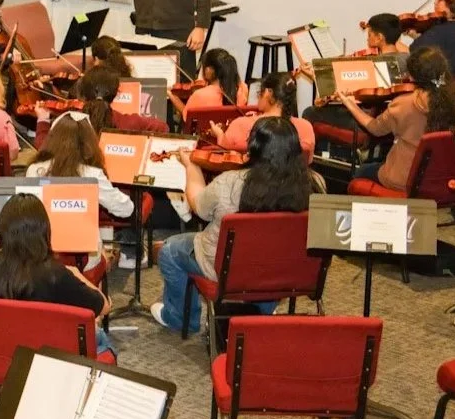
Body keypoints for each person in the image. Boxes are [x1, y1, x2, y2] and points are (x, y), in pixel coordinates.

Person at [154, 116, 318, 336]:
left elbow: (199, 206)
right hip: (282, 270)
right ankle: (262, 314)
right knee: (269, 253)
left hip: (227, 269)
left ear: (254, 147)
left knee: (169, 250)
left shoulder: (231, 182)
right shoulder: (314, 184)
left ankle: (180, 318)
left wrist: (191, 167)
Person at [0, 196, 114, 354]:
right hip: (43, 361)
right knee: (100, 336)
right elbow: (104, 306)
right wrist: (76, 273)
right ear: (45, 231)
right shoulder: (55, 274)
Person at [339, 46, 455, 192]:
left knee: (362, 171)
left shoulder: (404, 104)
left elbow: (374, 128)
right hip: (443, 176)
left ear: (413, 77)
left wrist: (350, 104)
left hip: (404, 178)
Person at [28, 111, 136, 221]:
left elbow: (28, 212)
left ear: (52, 139)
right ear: (89, 143)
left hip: (44, 231)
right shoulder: (93, 175)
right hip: (84, 232)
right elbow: (126, 209)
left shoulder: (34, 169)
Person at [216, 73, 316, 158]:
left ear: (268, 93)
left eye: (260, 92)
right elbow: (308, 160)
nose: (258, 97)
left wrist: (221, 137)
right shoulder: (306, 127)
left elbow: (228, 160)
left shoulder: (240, 124)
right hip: (293, 176)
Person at [78, 66, 165, 136]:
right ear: (115, 93)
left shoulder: (72, 120)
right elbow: (163, 127)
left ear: (84, 93)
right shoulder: (130, 122)